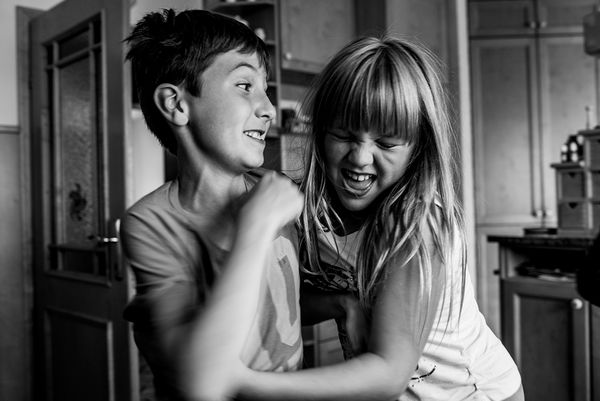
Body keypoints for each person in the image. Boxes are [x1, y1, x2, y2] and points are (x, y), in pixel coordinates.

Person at [234, 36, 525, 401]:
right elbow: (285, 298)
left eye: (386, 144)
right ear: (321, 132)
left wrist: (242, 383)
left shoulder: (417, 226)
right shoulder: (304, 209)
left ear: (417, 147)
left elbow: (389, 373)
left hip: (474, 394)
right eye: (344, 135)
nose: (360, 158)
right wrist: (340, 303)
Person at [120, 9, 304, 401]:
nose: (268, 108)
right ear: (176, 104)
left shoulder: (276, 191)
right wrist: (256, 226)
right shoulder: (150, 224)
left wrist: (338, 302)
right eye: (245, 85)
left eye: (265, 89)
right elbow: (201, 384)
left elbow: (274, 305)